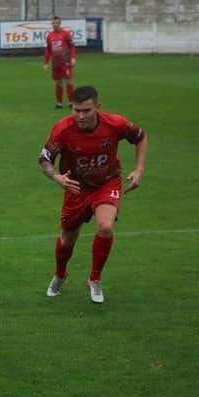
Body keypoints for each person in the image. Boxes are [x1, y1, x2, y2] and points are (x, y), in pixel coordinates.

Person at [38, 86, 148, 303]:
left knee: (106, 226)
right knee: (67, 240)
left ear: (97, 107)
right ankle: (60, 274)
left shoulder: (115, 124)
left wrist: (139, 170)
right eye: (76, 110)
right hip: (76, 188)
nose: (80, 116)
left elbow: (141, 137)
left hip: (106, 183)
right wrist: (57, 177)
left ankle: (94, 279)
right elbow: (44, 159)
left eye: (86, 111)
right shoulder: (62, 129)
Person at [43, 16, 76, 109]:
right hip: (56, 62)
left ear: (60, 23)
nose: (55, 25)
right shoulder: (50, 36)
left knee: (68, 81)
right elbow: (48, 50)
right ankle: (59, 103)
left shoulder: (66, 33)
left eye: (57, 23)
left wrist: (73, 58)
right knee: (58, 82)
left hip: (66, 61)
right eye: (53, 23)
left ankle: (71, 102)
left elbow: (72, 46)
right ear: (51, 24)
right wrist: (46, 63)